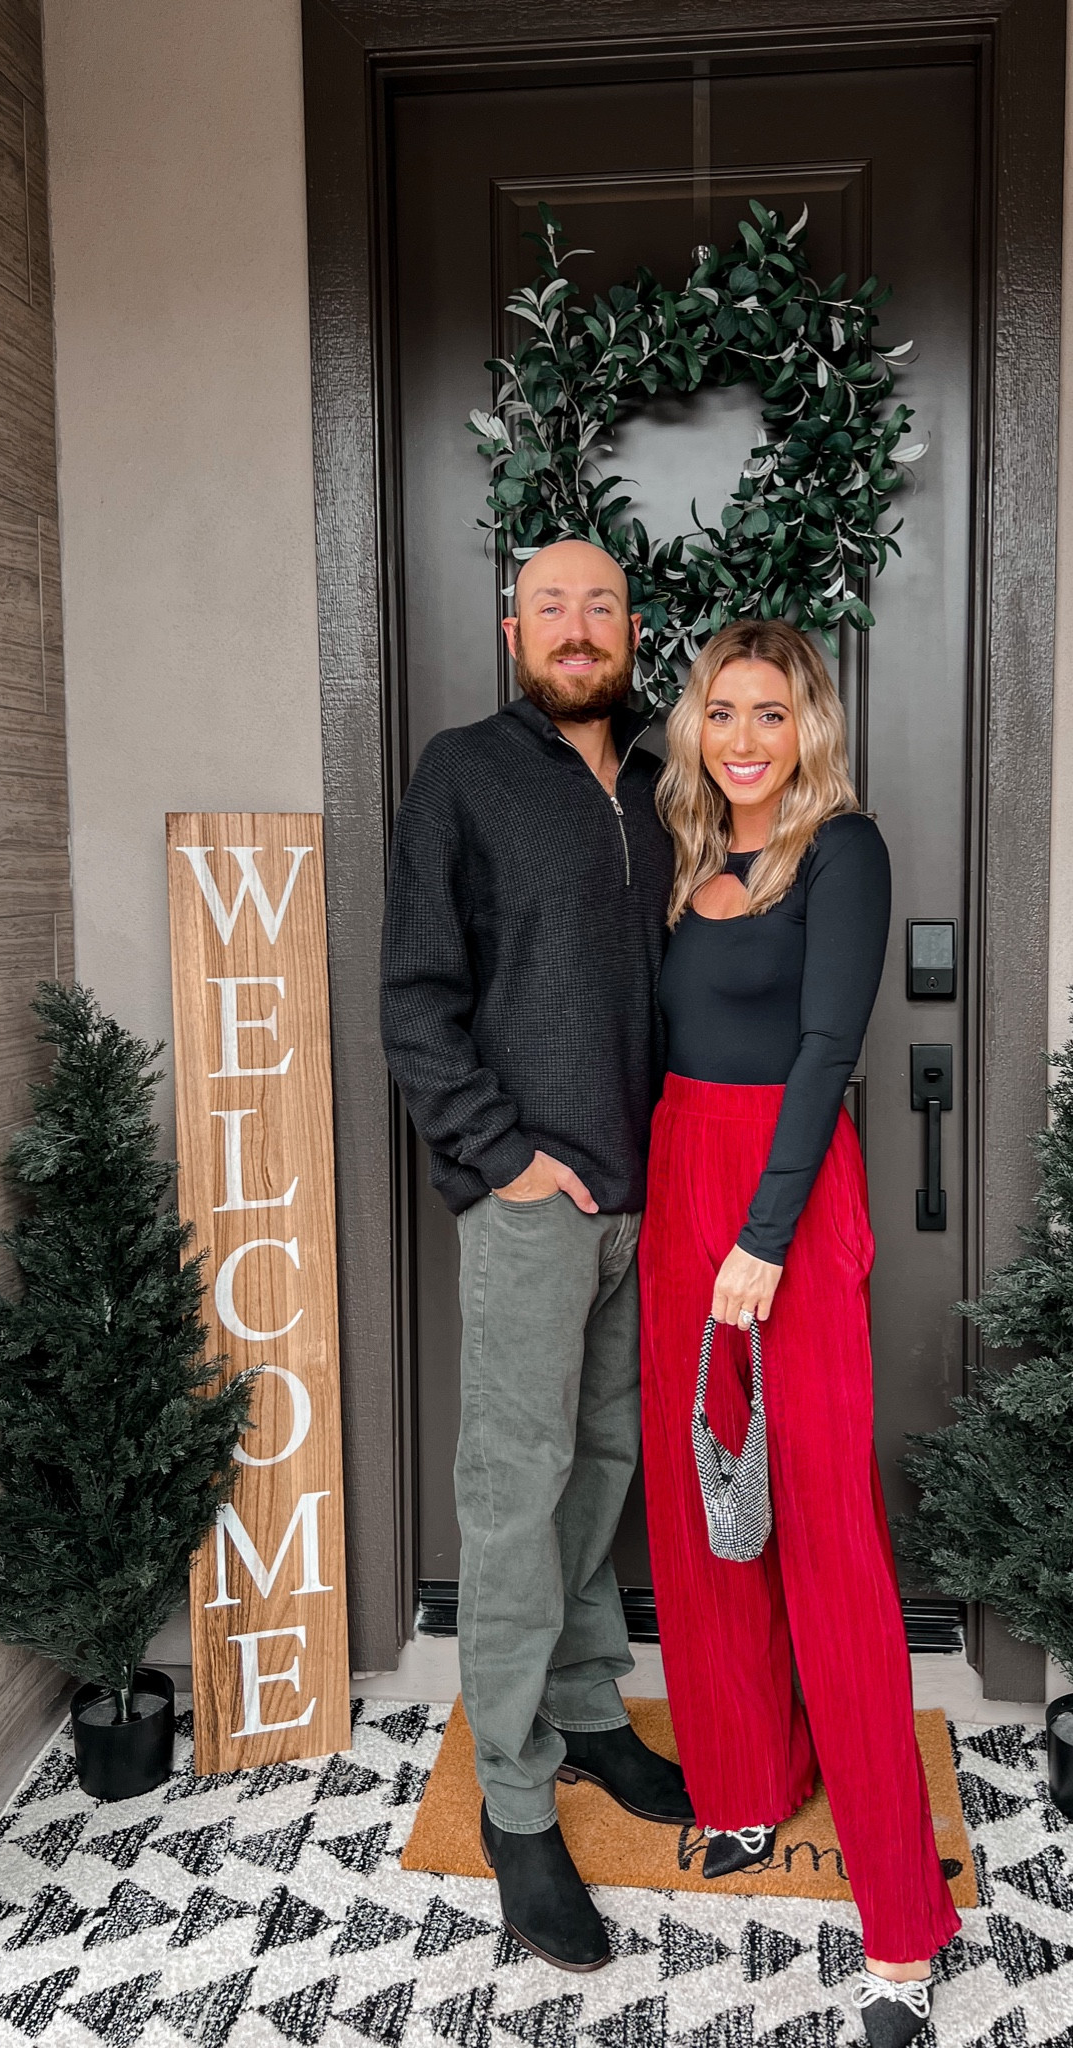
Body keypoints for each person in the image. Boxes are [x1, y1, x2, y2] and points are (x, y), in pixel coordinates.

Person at [638, 619, 960, 2045]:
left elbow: (829, 1050)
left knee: (824, 1527)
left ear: (806, 727)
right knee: (707, 1516)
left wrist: (761, 1243)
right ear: (696, 729)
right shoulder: (684, 869)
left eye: (771, 711)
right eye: (723, 711)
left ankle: (899, 1917)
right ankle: (742, 1791)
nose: (747, 737)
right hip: (672, 1184)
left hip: (785, 1197)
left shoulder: (844, 851)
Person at [379, 537, 691, 1973]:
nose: (578, 629)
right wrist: (503, 1159)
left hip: (646, 1203)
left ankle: (581, 1716)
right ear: (512, 626)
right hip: (531, 1204)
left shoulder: (656, 778)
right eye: (552, 605)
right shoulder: (463, 771)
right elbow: (415, 997)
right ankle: (513, 1804)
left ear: (632, 628)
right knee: (513, 1496)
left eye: (602, 606)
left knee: (601, 1469)